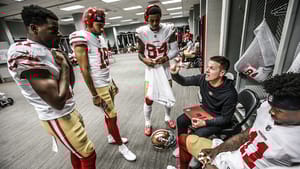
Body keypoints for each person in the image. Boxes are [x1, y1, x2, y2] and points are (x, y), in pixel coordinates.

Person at [7, 5, 96, 169]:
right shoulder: (23, 52)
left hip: (69, 109)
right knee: (88, 153)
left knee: (77, 151)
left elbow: (70, 83)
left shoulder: (48, 48)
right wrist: (64, 68)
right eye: (53, 30)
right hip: (56, 115)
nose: (59, 34)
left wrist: (65, 63)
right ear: (34, 28)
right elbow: (57, 101)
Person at [183, 72, 300, 169]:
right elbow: (247, 134)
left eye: (279, 110)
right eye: (271, 106)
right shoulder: (265, 107)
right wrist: (217, 150)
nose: (271, 112)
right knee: (185, 139)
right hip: (234, 156)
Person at [69, 7, 136, 161]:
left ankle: (111, 136)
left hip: (107, 82)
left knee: (109, 115)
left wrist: (112, 82)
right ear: (88, 23)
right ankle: (121, 147)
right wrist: (94, 94)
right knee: (112, 116)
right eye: (99, 24)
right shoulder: (81, 38)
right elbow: (84, 69)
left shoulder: (99, 38)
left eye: (103, 24)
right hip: (99, 87)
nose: (102, 27)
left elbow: (103, 64)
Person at [168, 56, 238, 169]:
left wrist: (204, 123)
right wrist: (175, 74)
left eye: (211, 68)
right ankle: (182, 146)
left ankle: (193, 158)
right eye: (207, 67)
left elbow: (225, 119)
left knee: (196, 135)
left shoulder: (230, 93)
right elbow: (184, 81)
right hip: (204, 111)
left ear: (221, 73)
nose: (207, 70)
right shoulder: (203, 78)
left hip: (217, 119)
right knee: (181, 120)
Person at [136, 4, 180, 136]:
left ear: (161, 18)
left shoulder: (168, 29)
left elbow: (175, 50)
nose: (155, 23)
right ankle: (147, 122)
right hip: (150, 70)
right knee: (148, 98)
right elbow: (140, 53)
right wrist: (145, 60)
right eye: (151, 20)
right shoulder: (141, 32)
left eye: (157, 20)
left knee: (167, 94)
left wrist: (166, 57)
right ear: (146, 19)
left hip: (164, 68)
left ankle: (167, 117)